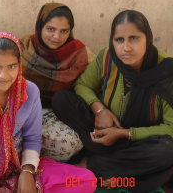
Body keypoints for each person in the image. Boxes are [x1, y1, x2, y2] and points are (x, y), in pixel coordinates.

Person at [0, 31, 95, 192]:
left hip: (17, 164)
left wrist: (28, 171)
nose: (4, 75)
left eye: (12, 66)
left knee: (85, 181)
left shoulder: (30, 91)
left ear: (19, 65)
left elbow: (32, 138)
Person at [53, 10, 173, 191]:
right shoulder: (108, 57)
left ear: (147, 39)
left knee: (167, 151)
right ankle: (122, 169)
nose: (126, 47)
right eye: (119, 40)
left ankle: (89, 165)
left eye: (134, 38)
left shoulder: (166, 72)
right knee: (62, 99)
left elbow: (170, 127)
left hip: (138, 142)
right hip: (101, 135)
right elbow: (83, 85)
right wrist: (100, 110)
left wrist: (125, 133)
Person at [20, 2, 94, 161]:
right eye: (50, 29)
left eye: (64, 31)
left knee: (67, 146)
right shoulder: (24, 47)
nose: (56, 37)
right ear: (40, 26)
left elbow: (92, 85)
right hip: (25, 109)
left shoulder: (80, 53)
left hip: (60, 113)